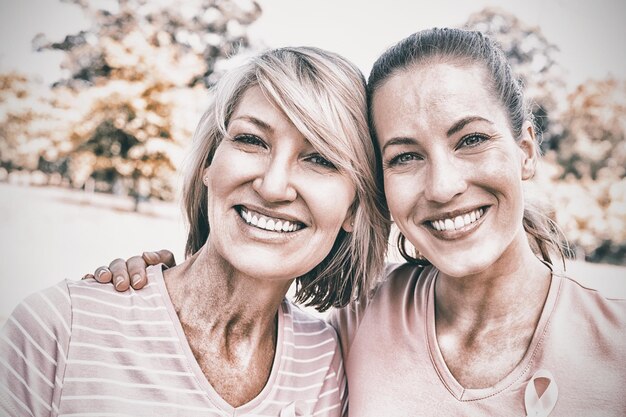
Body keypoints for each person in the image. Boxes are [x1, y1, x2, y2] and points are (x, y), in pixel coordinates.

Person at [49, 29, 626, 416]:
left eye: (471, 139)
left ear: (525, 150)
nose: (444, 185)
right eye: (405, 156)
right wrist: (138, 288)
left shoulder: (616, 352)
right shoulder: (350, 329)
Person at [0, 46, 390, 417]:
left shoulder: (326, 363)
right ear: (209, 164)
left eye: (319, 159)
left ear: (353, 209)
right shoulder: (61, 328)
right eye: (251, 140)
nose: (272, 187)